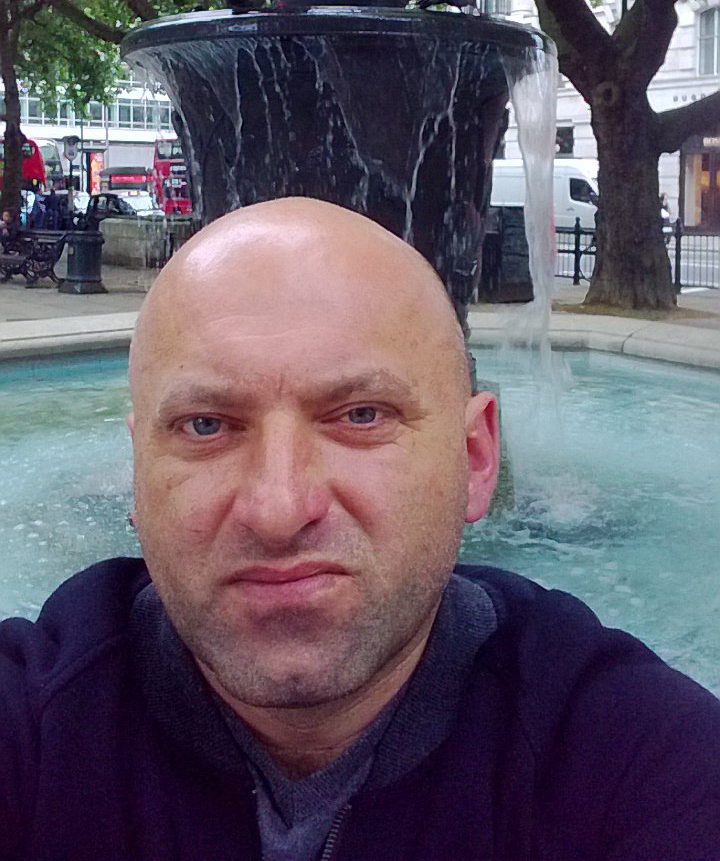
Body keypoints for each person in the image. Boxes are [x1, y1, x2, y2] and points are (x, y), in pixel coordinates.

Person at [0, 197, 719, 861]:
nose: (280, 509)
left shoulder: (639, 760)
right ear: (138, 471)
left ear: (476, 459)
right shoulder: (31, 731)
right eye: (207, 425)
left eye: (361, 416)